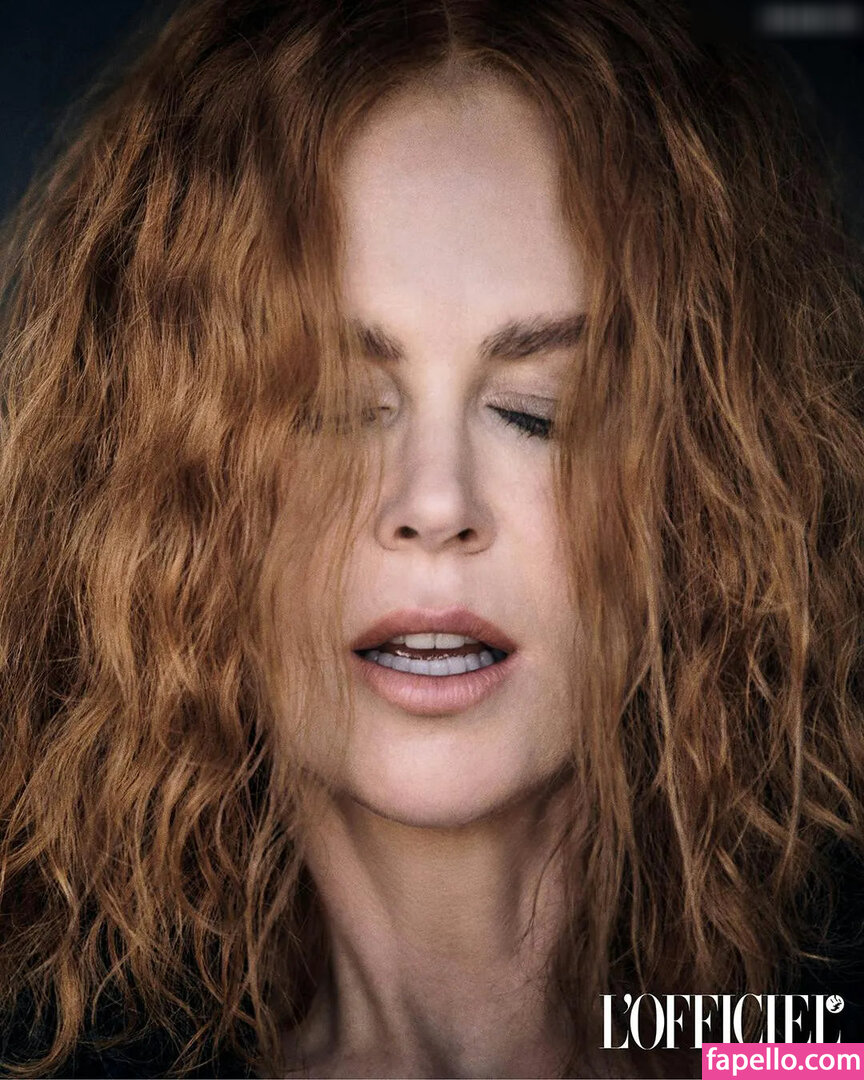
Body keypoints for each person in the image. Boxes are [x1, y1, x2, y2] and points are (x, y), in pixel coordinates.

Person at [1, 1, 863, 1077]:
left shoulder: (819, 1048)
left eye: (541, 412)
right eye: (328, 407)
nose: (436, 502)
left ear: (716, 482)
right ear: (159, 486)